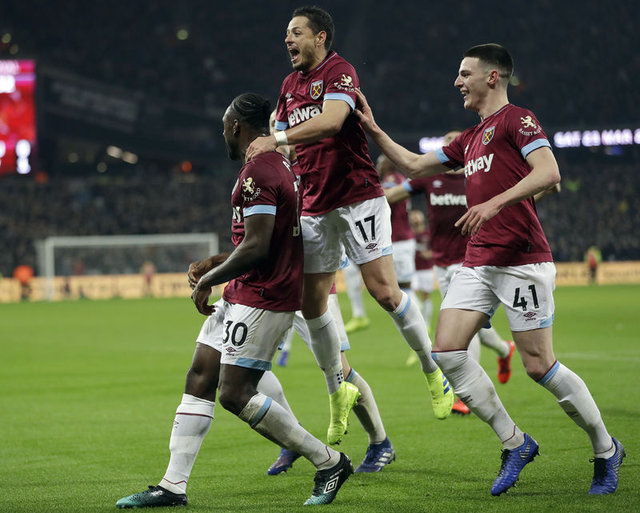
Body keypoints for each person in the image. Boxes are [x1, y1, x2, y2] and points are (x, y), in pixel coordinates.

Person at [355, 44, 624, 495]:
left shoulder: (518, 120)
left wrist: (494, 203)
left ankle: (605, 448)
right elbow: (415, 165)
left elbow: (549, 173)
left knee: (538, 366)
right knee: (447, 352)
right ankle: (515, 442)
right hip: (478, 261)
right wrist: (373, 128)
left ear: (492, 77)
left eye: (465, 74)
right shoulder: (469, 138)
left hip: (522, 260)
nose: (457, 82)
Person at [116, 93, 352, 509]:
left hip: (265, 296)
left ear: (236, 125)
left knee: (234, 393)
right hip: (246, 289)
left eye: (224, 125)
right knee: (200, 376)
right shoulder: (276, 165)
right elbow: (261, 240)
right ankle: (172, 486)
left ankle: (329, 461)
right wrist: (216, 262)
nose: (222, 132)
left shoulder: (259, 170)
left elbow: (259, 247)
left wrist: (207, 279)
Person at [246, 6, 453, 429]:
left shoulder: (340, 72)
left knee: (385, 292)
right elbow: (285, 147)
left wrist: (277, 137)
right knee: (312, 305)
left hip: (357, 197)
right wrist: (275, 151)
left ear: (320, 37)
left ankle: (433, 369)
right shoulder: (288, 85)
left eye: (296, 32)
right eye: (287, 33)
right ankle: (338, 388)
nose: (288, 39)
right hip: (315, 205)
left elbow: (333, 121)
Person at [265, 109, 395, 474]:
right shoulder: (269, 172)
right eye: (275, 126)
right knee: (245, 367)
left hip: (315, 292)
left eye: (284, 125)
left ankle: (380, 441)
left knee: (341, 372)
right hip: (275, 289)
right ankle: (290, 438)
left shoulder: (314, 173)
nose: (281, 131)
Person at [385, 131, 515, 388]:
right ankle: (504, 349)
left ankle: (470, 389)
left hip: (470, 260)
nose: (449, 145)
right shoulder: (429, 178)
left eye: (454, 142)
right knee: (475, 327)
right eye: (446, 142)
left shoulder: (478, 177)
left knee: (463, 324)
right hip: (440, 262)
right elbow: (392, 195)